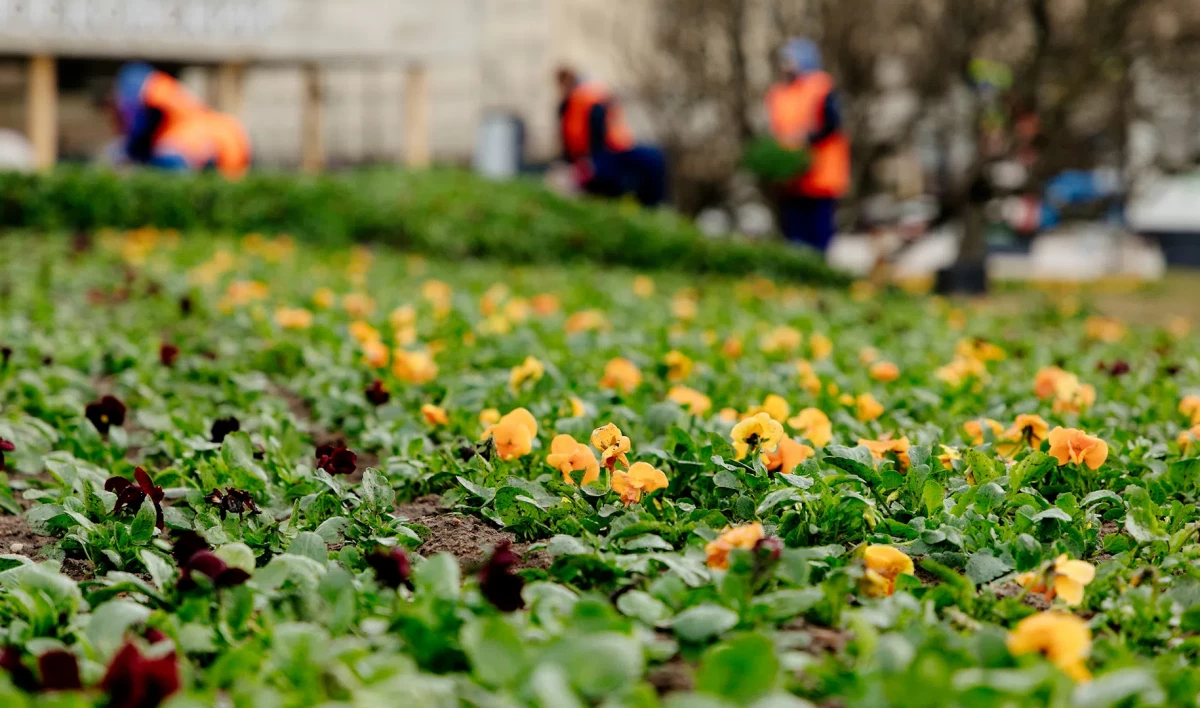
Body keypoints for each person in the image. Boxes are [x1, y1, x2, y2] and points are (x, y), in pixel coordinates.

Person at [765, 39, 850, 252]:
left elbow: (832, 125)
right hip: (792, 178)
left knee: (818, 237)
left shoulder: (821, 88)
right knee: (794, 237)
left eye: (789, 60)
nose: (785, 66)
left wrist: (805, 139)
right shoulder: (779, 93)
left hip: (820, 175)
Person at [113, 63, 251, 178]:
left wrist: (131, 151)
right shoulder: (165, 90)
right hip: (209, 146)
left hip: (184, 148)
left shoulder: (152, 89)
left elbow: (139, 127)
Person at [555, 67, 667, 207]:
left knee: (652, 159)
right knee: (652, 160)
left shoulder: (584, 99)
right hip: (602, 155)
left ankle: (652, 204)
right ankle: (652, 204)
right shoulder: (579, 102)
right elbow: (579, 140)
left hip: (613, 150)